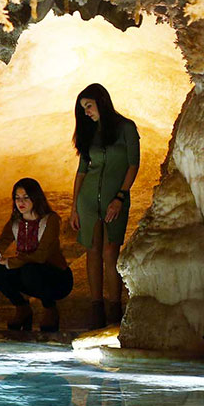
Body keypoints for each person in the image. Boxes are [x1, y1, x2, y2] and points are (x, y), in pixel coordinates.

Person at [70, 83, 139, 329]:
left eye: (89, 106)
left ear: (102, 101)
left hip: (115, 200)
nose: (86, 112)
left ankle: (114, 309)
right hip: (88, 200)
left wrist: (120, 197)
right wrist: (74, 208)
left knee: (111, 252)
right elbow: (81, 172)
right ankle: (96, 309)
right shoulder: (89, 133)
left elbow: (133, 165)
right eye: (83, 108)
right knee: (93, 251)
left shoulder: (126, 128)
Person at [0, 178, 74, 332]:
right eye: (17, 198)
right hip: (26, 271)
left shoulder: (50, 220)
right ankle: (22, 308)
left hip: (55, 276)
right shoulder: (16, 220)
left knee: (30, 270)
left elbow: (40, 256)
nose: (21, 202)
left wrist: (8, 262)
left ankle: (50, 308)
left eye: (26, 197)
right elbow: (4, 240)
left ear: (35, 198)